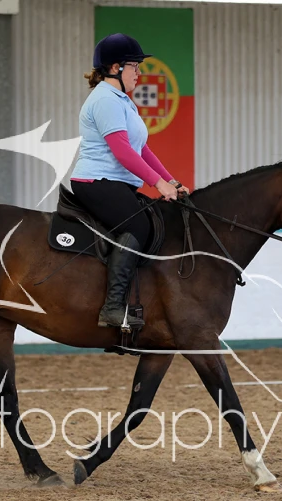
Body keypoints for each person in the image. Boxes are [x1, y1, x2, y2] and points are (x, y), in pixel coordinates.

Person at [70, 33, 189, 330]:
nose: (139, 73)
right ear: (115, 68)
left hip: (114, 182)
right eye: (134, 66)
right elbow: (122, 151)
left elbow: (142, 150)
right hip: (96, 181)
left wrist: (170, 181)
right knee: (138, 226)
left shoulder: (123, 101)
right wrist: (157, 185)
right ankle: (112, 307)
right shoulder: (105, 100)